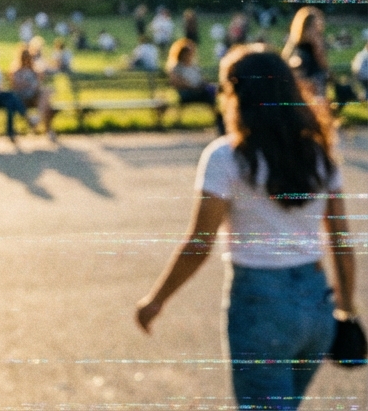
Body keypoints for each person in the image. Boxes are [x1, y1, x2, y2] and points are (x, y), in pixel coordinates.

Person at [136, 48, 356, 410]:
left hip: (260, 304)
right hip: (317, 304)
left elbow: (199, 244)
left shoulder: (227, 158)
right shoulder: (318, 154)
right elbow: (341, 244)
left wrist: (157, 299)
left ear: (239, 96)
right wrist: (347, 310)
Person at [165, 38, 221, 133]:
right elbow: (177, 83)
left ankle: (220, 120)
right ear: (181, 53)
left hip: (198, 90)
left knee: (212, 93)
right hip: (186, 93)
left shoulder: (193, 66)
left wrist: (205, 84)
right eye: (188, 53)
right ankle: (220, 121)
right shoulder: (176, 67)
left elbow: (201, 79)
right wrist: (194, 87)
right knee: (209, 95)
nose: (190, 55)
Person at [282, 6, 330, 103]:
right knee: (318, 101)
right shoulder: (316, 37)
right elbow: (320, 57)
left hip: (300, 73)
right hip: (314, 74)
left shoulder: (295, 37)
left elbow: (285, 56)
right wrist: (327, 70)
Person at [10, 45, 54, 136]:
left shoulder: (35, 70)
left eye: (29, 57)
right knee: (46, 103)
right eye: (25, 57)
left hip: (34, 96)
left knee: (47, 93)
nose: (27, 59)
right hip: (21, 97)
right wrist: (28, 85)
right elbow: (15, 86)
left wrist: (37, 79)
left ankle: (37, 119)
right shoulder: (16, 70)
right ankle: (43, 126)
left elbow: (38, 84)